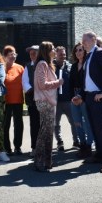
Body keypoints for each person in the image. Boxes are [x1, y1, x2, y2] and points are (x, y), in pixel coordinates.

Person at [72, 31, 102, 173]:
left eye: (85, 40)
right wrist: (81, 96)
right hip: (89, 97)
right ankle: (98, 155)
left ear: (93, 39)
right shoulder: (89, 55)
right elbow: (88, 80)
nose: (83, 43)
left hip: (98, 97)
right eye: (82, 40)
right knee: (93, 128)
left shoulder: (100, 53)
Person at [32, 41, 64, 172]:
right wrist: (58, 82)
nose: (55, 51)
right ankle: (39, 161)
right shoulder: (42, 64)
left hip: (49, 101)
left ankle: (47, 161)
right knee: (44, 132)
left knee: (48, 132)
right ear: (47, 51)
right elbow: (42, 84)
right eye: (53, 49)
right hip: (44, 101)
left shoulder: (49, 65)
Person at [69, 43, 94, 159]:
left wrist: (81, 97)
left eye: (81, 50)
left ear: (85, 52)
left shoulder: (88, 65)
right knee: (77, 122)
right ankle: (82, 145)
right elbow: (70, 83)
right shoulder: (73, 66)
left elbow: (87, 83)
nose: (78, 52)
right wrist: (72, 97)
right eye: (76, 50)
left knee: (86, 122)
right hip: (74, 96)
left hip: (85, 96)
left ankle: (89, 146)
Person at [53, 46, 77, 151]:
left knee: (74, 122)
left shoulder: (70, 67)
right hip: (56, 101)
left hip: (68, 100)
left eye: (64, 54)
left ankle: (76, 141)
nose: (63, 56)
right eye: (60, 54)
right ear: (55, 55)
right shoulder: (51, 67)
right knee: (56, 124)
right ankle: (60, 142)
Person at [2, 45, 24, 155]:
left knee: (18, 125)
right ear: (5, 56)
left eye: (15, 54)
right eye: (11, 55)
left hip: (18, 101)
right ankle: (7, 148)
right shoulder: (1, 68)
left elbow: (25, 83)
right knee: (5, 125)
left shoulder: (20, 68)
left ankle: (17, 147)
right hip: (5, 102)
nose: (13, 56)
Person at [22, 45, 40, 156]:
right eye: (30, 53)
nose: (32, 54)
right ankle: (34, 148)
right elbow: (25, 83)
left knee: (44, 126)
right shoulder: (28, 67)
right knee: (34, 125)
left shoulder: (44, 65)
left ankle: (44, 148)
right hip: (33, 101)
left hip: (44, 100)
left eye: (34, 52)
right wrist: (34, 91)